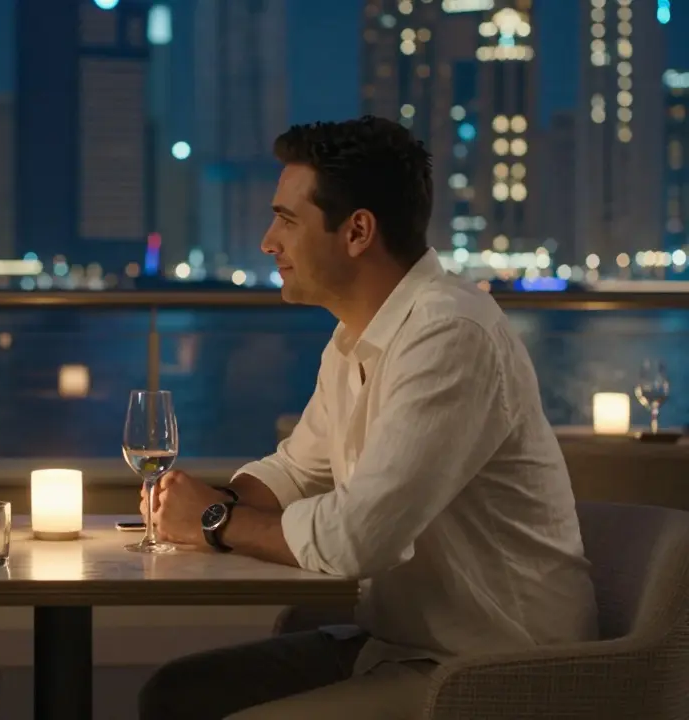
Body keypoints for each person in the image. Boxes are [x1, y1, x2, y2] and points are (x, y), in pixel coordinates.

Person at [137, 117, 597, 719]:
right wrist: (205, 502)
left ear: (357, 231)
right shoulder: (355, 338)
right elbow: (297, 470)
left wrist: (215, 521)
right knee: (177, 694)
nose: (268, 242)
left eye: (287, 220)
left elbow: (358, 538)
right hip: (398, 646)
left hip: (496, 670)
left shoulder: (450, 334)